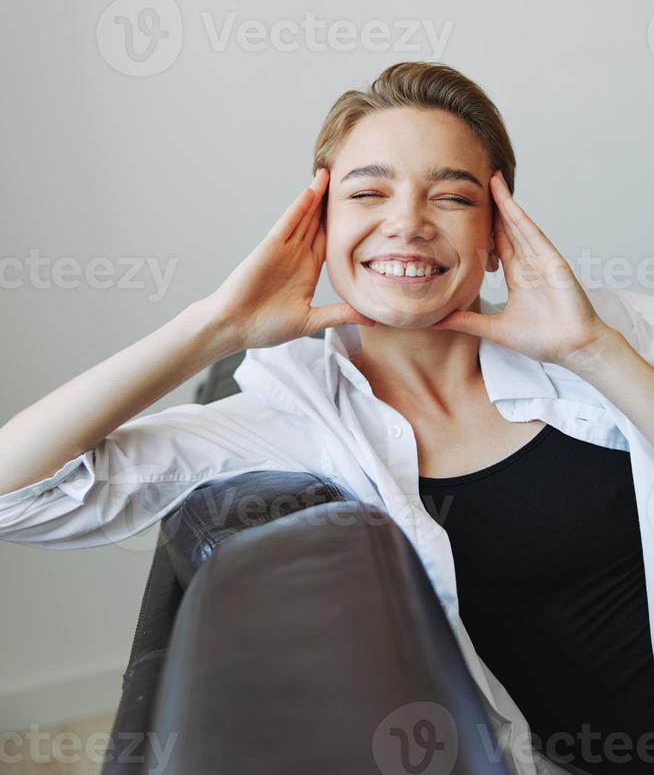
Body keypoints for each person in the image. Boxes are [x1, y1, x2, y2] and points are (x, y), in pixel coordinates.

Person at [1, 61, 653, 775]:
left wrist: (595, 352)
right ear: (318, 227)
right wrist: (211, 327)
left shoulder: (614, 333)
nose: (407, 222)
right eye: (369, 192)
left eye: (453, 197)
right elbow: (17, 496)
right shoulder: (296, 416)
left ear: (500, 232)